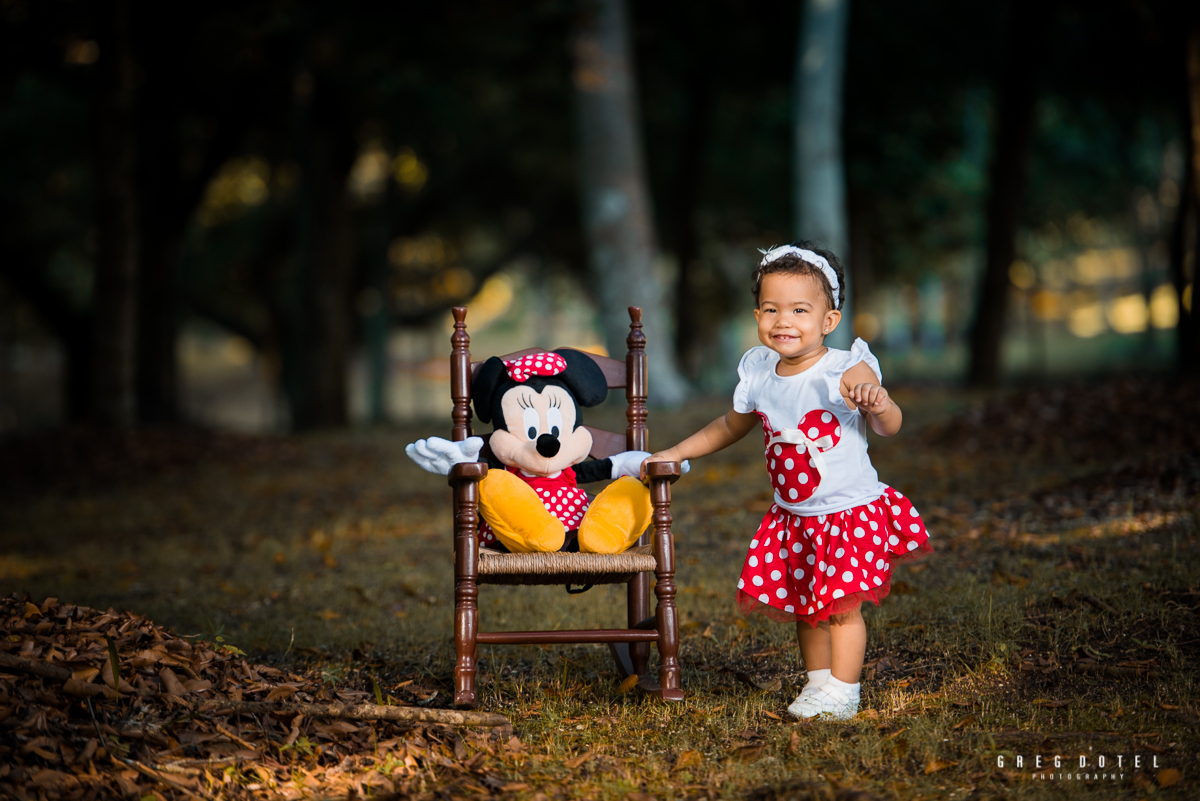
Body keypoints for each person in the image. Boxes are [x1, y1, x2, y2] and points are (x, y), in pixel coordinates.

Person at [645, 243, 930, 719]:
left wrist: (878, 404)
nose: (784, 321)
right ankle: (818, 684)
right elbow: (730, 425)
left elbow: (889, 425)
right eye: (772, 309)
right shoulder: (759, 372)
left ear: (828, 320)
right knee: (806, 607)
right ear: (757, 314)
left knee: (840, 607)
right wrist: (676, 451)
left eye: (800, 310)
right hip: (795, 517)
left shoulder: (843, 368)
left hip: (846, 514)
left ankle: (844, 690)